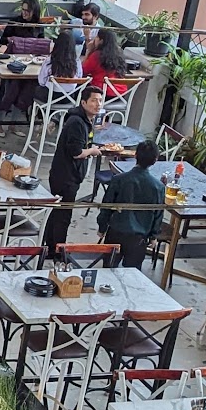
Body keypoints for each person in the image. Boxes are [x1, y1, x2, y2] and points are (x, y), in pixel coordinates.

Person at [42, 84, 103, 259]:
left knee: (57, 212)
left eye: (100, 101)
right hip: (65, 176)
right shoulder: (77, 123)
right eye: (94, 101)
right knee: (63, 215)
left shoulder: (85, 120)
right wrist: (92, 151)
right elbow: (76, 152)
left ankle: (50, 246)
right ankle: (58, 251)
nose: (98, 104)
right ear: (83, 102)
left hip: (69, 175)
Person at [97, 139, 164, 269]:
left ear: (135, 155)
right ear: (155, 160)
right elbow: (158, 214)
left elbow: (106, 206)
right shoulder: (158, 187)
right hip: (138, 238)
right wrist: (153, 236)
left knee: (108, 270)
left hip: (115, 233)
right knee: (132, 274)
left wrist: (102, 227)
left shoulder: (118, 179)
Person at [81, 27, 131, 98]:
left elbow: (83, 71)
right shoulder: (119, 54)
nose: (95, 39)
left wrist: (88, 51)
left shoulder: (96, 55)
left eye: (97, 37)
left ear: (101, 41)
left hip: (102, 93)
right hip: (120, 94)